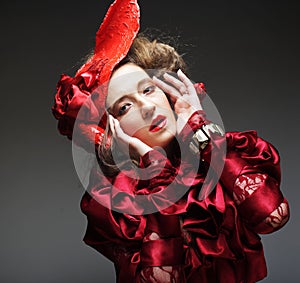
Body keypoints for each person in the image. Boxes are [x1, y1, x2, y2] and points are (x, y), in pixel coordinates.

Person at [52, 0, 290, 282]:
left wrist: (200, 129)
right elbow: (163, 276)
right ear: (109, 129)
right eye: (125, 107)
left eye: (148, 89)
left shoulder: (214, 159)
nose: (148, 108)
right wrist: (153, 165)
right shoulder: (115, 204)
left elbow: (273, 215)